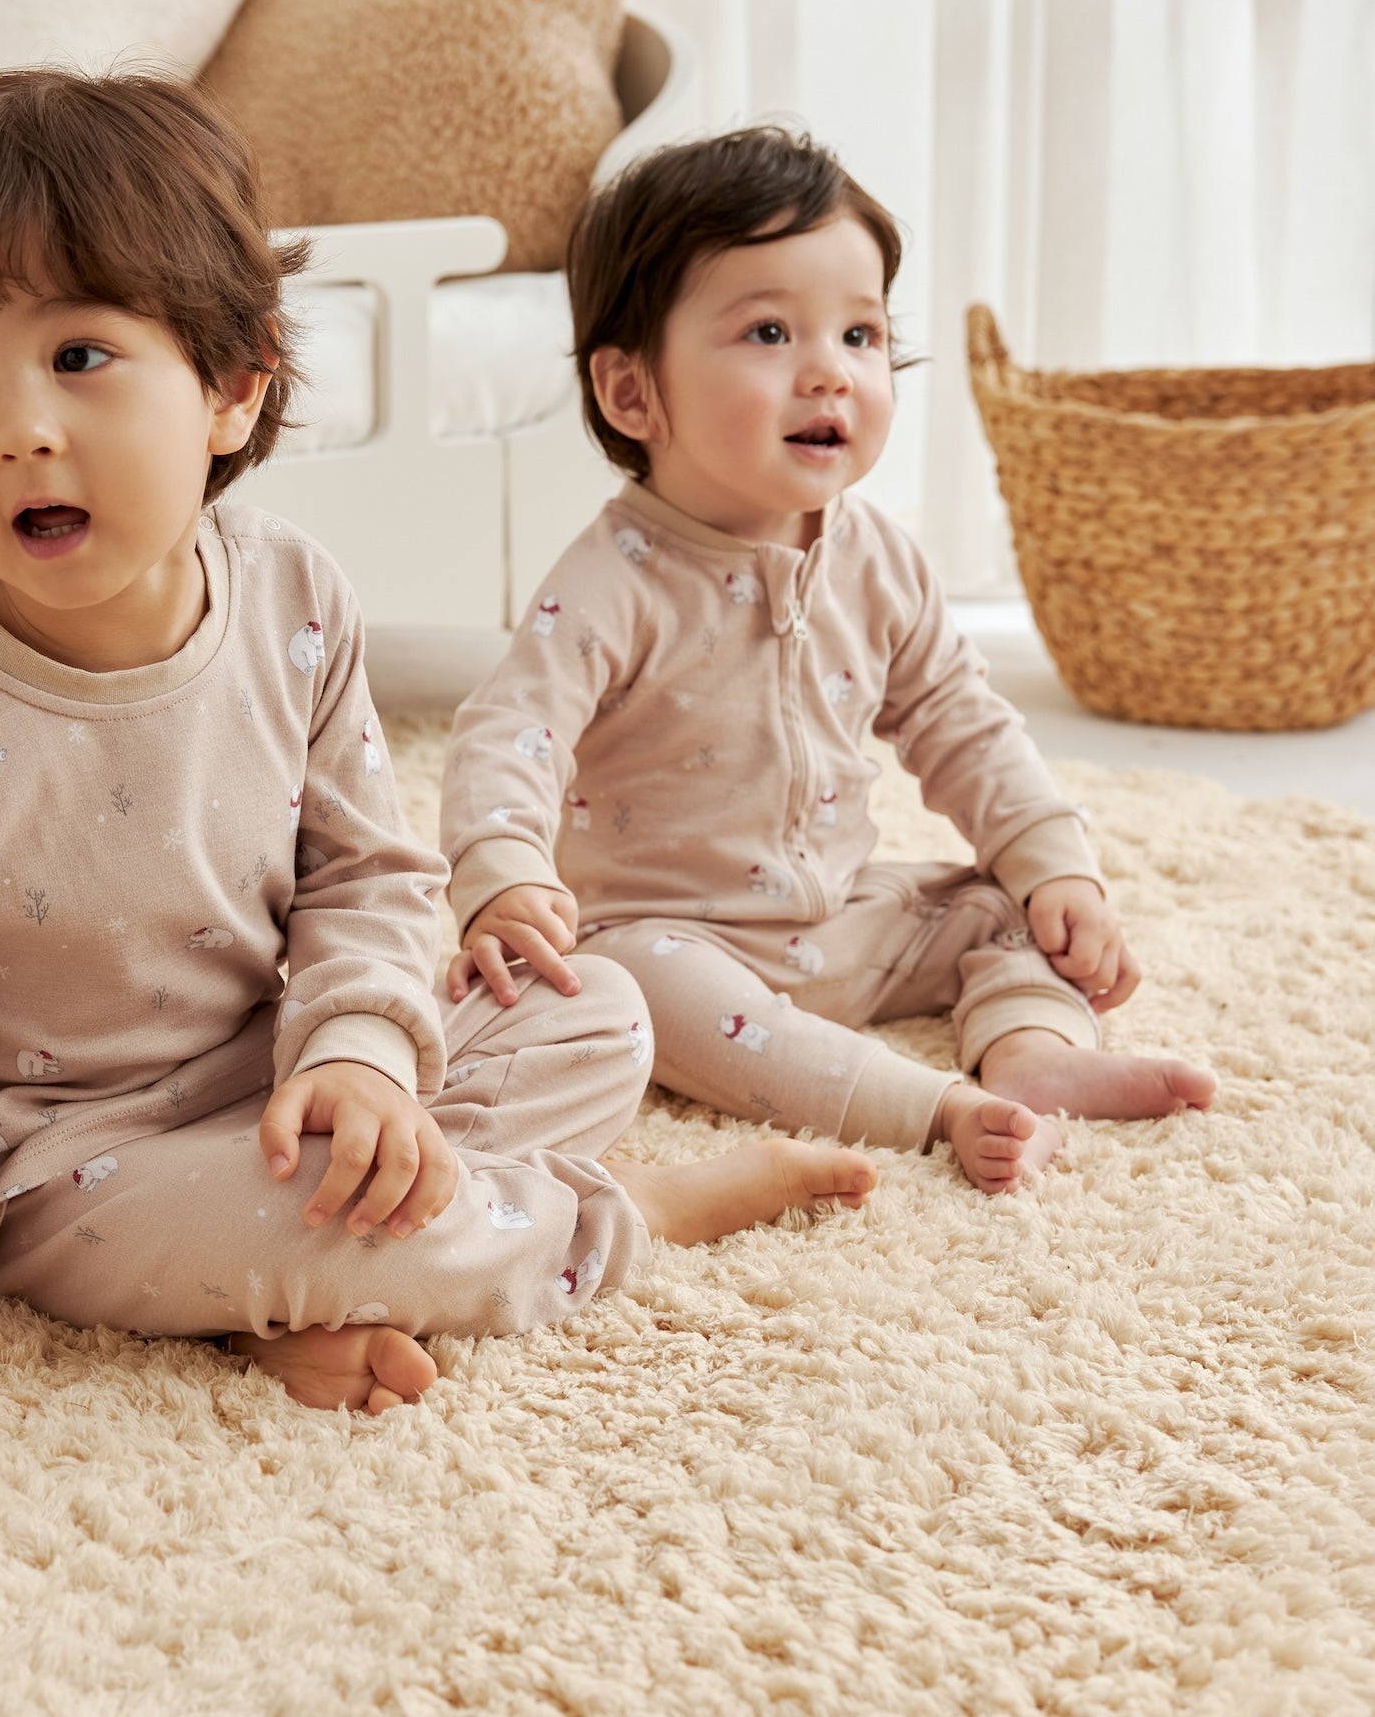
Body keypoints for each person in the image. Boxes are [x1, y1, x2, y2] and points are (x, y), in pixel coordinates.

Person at [0, 75, 877, 1467]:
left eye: (82, 355)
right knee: (285, 1217)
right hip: (48, 1167)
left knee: (597, 1014)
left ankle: (293, 1275)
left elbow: (366, 873)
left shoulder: (293, 591)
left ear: (233, 388)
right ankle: (620, 1212)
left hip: (278, 1069)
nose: (17, 428)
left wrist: (359, 1057)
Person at [439, 127, 1217, 1197]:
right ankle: (931, 1107)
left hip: (842, 919)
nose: (831, 374)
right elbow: (505, 736)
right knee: (622, 985)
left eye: (861, 335)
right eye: (769, 331)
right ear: (632, 395)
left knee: (1005, 907)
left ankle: (1033, 1051)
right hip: (675, 939)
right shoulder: (613, 581)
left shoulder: (878, 555)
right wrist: (507, 878)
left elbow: (958, 715)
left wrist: (1056, 863)